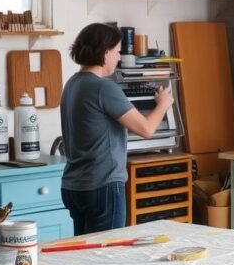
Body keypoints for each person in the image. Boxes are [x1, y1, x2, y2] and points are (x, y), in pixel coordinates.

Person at [60, 23, 174, 234]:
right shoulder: (103, 87)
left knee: (84, 254)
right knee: (106, 254)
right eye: (117, 51)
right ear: (104, 53)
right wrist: (163, 104)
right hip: (102, 185)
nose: (119, 57)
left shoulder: (72, 84)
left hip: (74, 186)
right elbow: (146, 129)